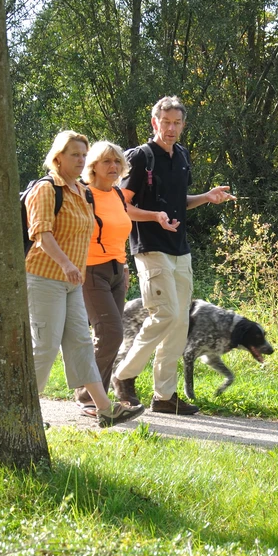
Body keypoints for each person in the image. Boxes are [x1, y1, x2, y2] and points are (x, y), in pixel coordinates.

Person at [111, 96, 236, 415]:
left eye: (176, 123)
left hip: (181, 250)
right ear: (154, 123)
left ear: (182, 125)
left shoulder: (181, 155)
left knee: (179, 323)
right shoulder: (140, 157)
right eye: (165, 122)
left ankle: (164, 396)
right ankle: (123, 376)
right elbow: (122, 206)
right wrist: (155, 217)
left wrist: (206, 198)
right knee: (164, 315)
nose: (171, 128)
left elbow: (179, 201)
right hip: (150, 248)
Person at [24, 130, 142, 426]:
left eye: (82, 154)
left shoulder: (80, 190)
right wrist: (66, 264)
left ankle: (105, 409)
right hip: (44, 277)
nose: (80, 159)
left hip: (72, 281)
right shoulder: (47, 189)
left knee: (81, 344)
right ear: (58, 158)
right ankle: (25, 414)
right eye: (74, 154)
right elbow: (40, 232)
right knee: (45, 347)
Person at [74, 140, 179, 414]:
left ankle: (99, 396)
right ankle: (89, 397)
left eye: (117, 162)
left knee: (111, 336)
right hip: (90, 270)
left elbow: (123, 222)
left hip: (116, 270)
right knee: (110, 333)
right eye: (106, 161)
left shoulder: (118, 195)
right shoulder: (83, 194)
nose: (113, 166)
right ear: (92, 166)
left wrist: (155, 217)